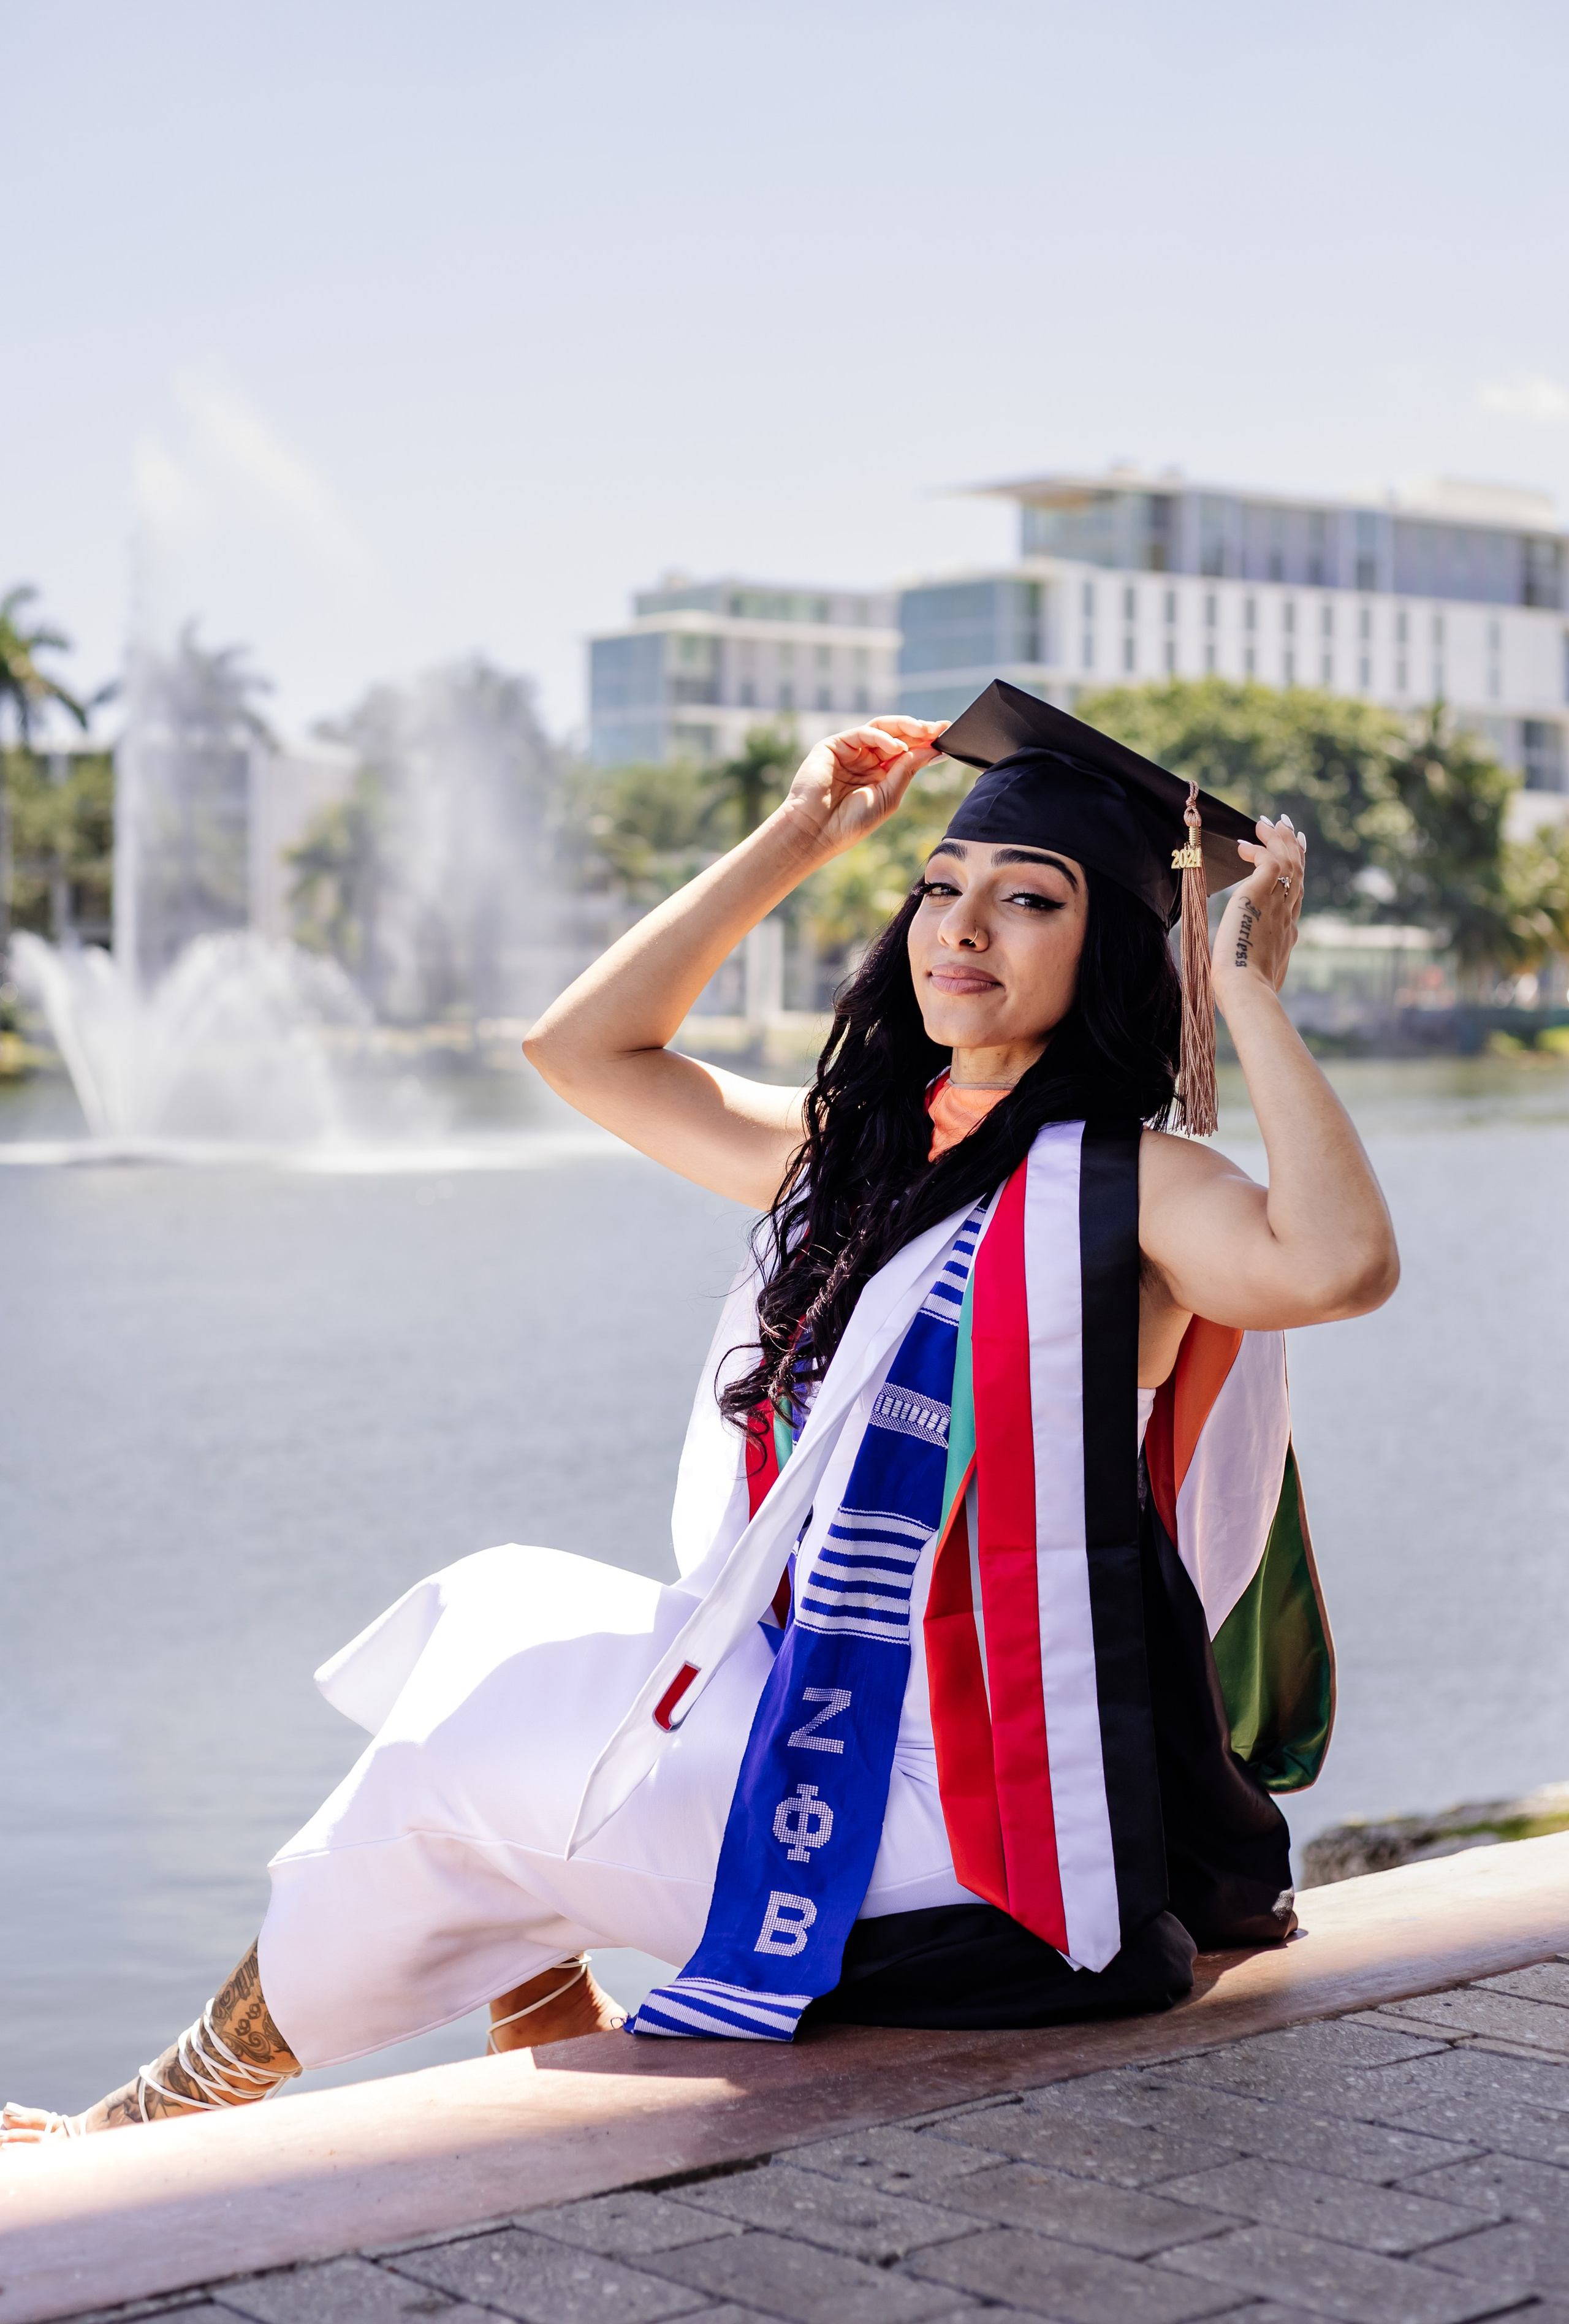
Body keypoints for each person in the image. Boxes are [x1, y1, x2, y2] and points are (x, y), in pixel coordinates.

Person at [2, 680, 1397, 2141]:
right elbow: (582, 1052)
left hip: (976, 1848)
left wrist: (1240, 995)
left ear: (1105, 941)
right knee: (500, 1609)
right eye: (936, 890)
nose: (961, 929)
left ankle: (157, 2115)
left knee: (470, 1751)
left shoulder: (1126, 1186)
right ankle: (533, 2004)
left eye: (1026, 899)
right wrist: (794, 837)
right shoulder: (869, 1157)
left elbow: (1337, 1264)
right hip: (837, 1723)